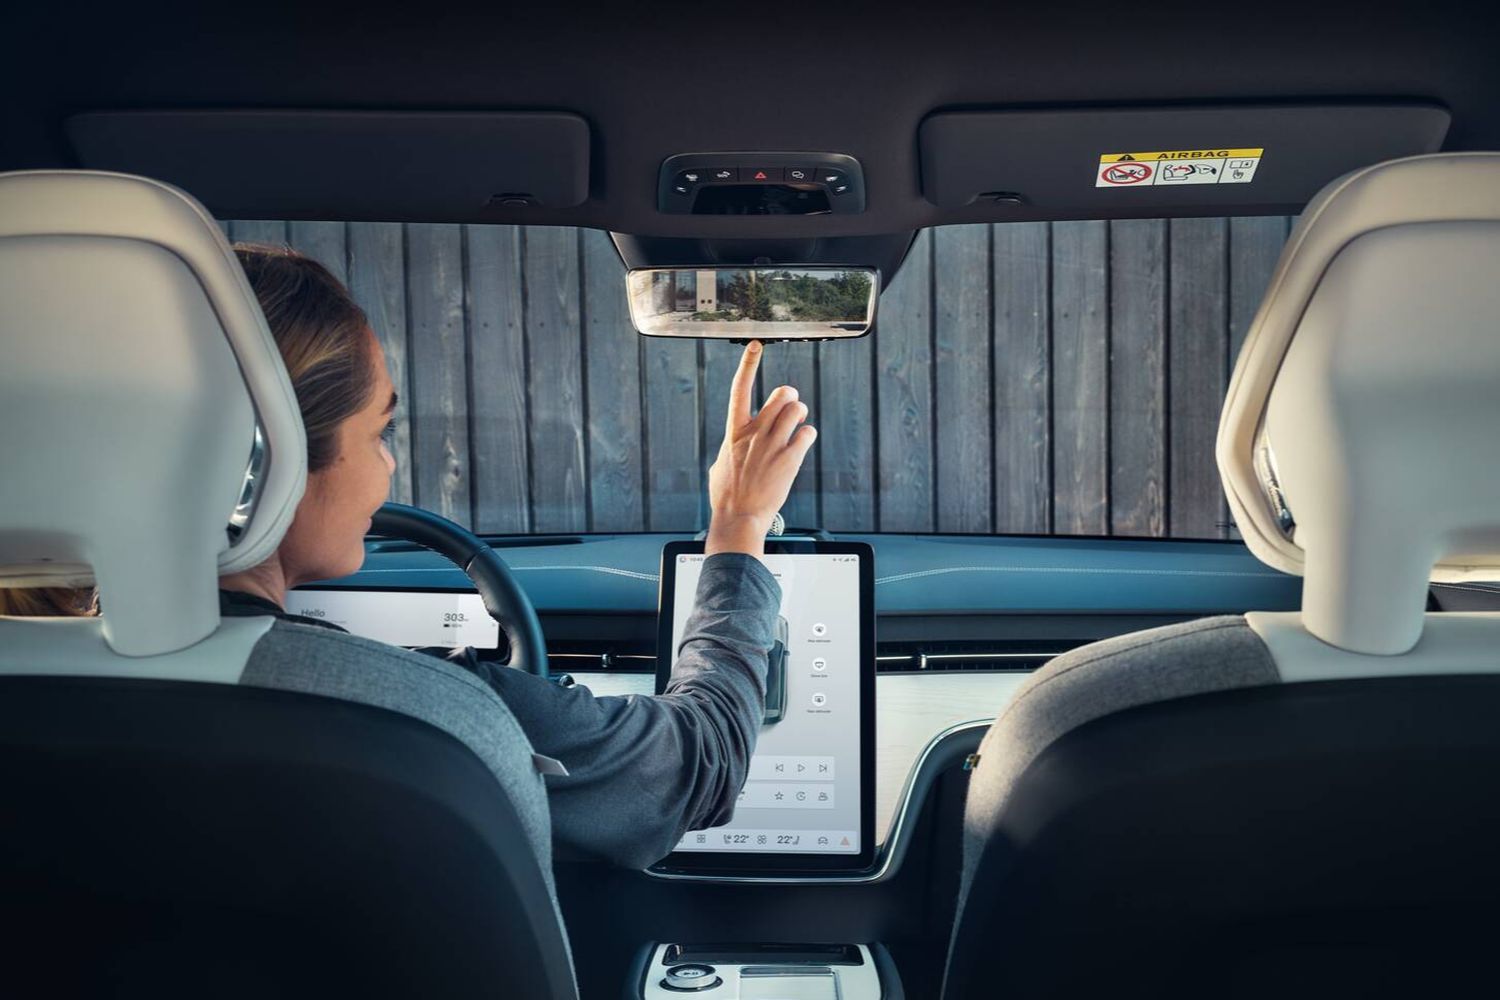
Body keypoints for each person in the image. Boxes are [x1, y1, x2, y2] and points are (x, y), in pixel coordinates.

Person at [220, 244, 816, 868]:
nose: (387, 465)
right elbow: (697, 763)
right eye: (378, 432)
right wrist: (740, 524)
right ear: (271, 459)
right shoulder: (423, 714)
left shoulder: (106, 695)